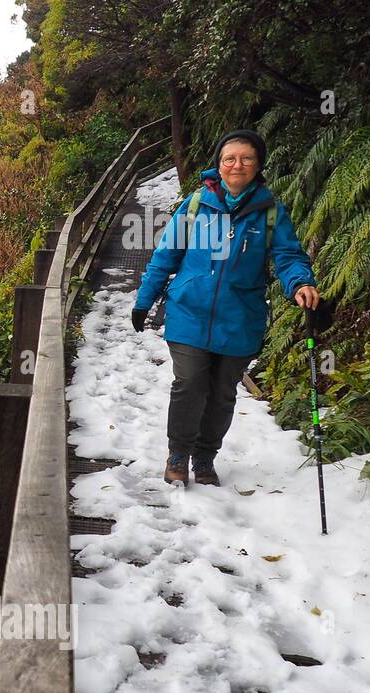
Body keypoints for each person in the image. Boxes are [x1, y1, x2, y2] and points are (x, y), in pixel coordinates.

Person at [131, 129, 321, 487]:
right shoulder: (195, 206)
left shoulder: (269, 213)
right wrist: (145, 300)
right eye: (229, 159)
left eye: (246, 158)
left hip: (240, 318)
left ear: (258, 165)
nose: (237, 165)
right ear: (218, 165)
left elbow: (288, 255)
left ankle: (205, 456)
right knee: (189, 383)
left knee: (221, 393)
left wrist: (301, 283)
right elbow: (165, 257)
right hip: (190, 311)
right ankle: (178, 453)